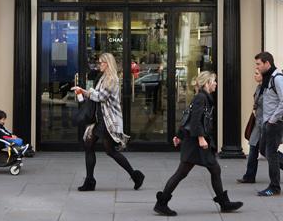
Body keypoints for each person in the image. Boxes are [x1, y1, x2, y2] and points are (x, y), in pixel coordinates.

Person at [154, 71, 243, 216]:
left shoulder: (203, 97)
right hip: (196, 143)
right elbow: (195, 120)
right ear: (207, 83)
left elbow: (188, 118)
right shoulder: (201, 98)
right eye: (213, 81)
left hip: (193, 141)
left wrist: (179, 135)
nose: (215, 84)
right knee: (199, 171)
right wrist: (201, 138)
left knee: (205, 170)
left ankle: (162, 203)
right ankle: (162, 203)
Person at [73, 53, 145, 192]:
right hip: (101, 119)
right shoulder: (103, 78)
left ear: (108, 64)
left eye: (101, 62)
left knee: (109, 151)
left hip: (108, 121)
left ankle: (135, 175)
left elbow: (101, 97)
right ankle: (90, 181)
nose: (99, 65)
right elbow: (97, 96)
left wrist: (86, 92)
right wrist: (84, 92)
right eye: (99, 62)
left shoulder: (112, 79)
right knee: (90, 146)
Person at [238, 68, 283, 183]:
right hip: (258, 124)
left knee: (268, 151)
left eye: (257, 73)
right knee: (254, 148)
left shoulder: (269, 88)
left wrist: (270, 121)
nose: (255, 75)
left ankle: (252, 176)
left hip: (266, 123)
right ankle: (249, 175)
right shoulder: (260, 87)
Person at [255, 51, 283, 196]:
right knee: (263, 150)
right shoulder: (268, 78)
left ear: (267, 63)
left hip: (274, 123)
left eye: (259, 64)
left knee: (271, 153)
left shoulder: (277, 78)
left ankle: (275, 187)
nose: (257, 67)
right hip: (267, 122)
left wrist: (272, 119)